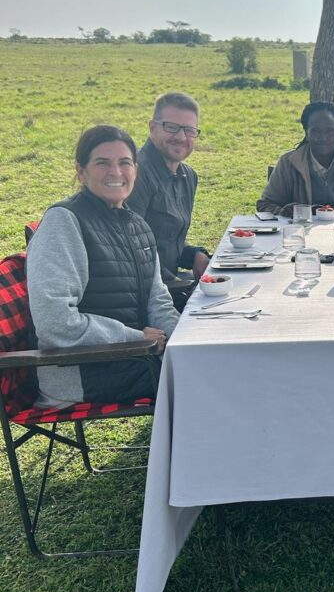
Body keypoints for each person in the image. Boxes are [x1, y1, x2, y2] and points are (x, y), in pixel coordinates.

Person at [27, 125, 179, 407]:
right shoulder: (64, 222)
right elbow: (55, 324)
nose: (116, 172)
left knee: (211, 362)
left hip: (134, 358)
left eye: (124, 163)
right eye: (102, 163)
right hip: (82, 370)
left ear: (136, 169)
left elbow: (158, 302)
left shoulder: (138, 225)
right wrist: (136, 338)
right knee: (206, 378)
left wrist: (187, 340)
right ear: (81, 171)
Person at [128, 92, 209, 305]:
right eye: (171, 127)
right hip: (142, 295)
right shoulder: (135, 173)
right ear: (152, 127)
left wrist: (194, 255)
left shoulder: (188, 176)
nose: (181, 137)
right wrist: (177, 285)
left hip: (168, 287)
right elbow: (131, 248)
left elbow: (166, 241)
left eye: (189, 130)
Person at [257, 101, 334, 216]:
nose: (323, 137)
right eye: (315, 131)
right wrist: (283, 211)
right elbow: (265, 204)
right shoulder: (288, 162)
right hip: (302, 235)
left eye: (329, 131)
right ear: (306, 133)